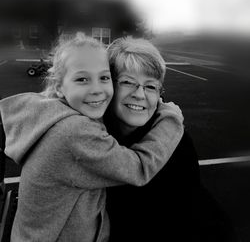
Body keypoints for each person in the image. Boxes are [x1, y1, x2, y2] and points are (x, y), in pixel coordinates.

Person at [0, 32, 184, 242]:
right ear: (59, 87)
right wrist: (171, 117)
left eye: (104, 78)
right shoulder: (74, 133)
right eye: (82, 79)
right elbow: (138, 169)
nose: (97, 89)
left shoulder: (49, 113)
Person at [104, 37, 240, 242]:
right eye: (127, 82)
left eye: (150, 86)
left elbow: (187, 212)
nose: (139, 94)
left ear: (160, 94)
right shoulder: (88, 136)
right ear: (107, 85)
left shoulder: (177, 143)